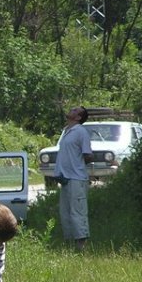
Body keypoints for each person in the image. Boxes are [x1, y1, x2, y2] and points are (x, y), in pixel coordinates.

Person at [54, 106, 94, 251]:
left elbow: (88, 155)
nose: (71, 110)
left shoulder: (81, 132)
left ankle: (82, 247)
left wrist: (77, 164)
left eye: (75, 110)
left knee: (78, 212)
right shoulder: (66, 131)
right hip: (65, 179)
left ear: (78, 118)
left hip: (77, 178)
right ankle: (70, 246)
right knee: (65, 213)